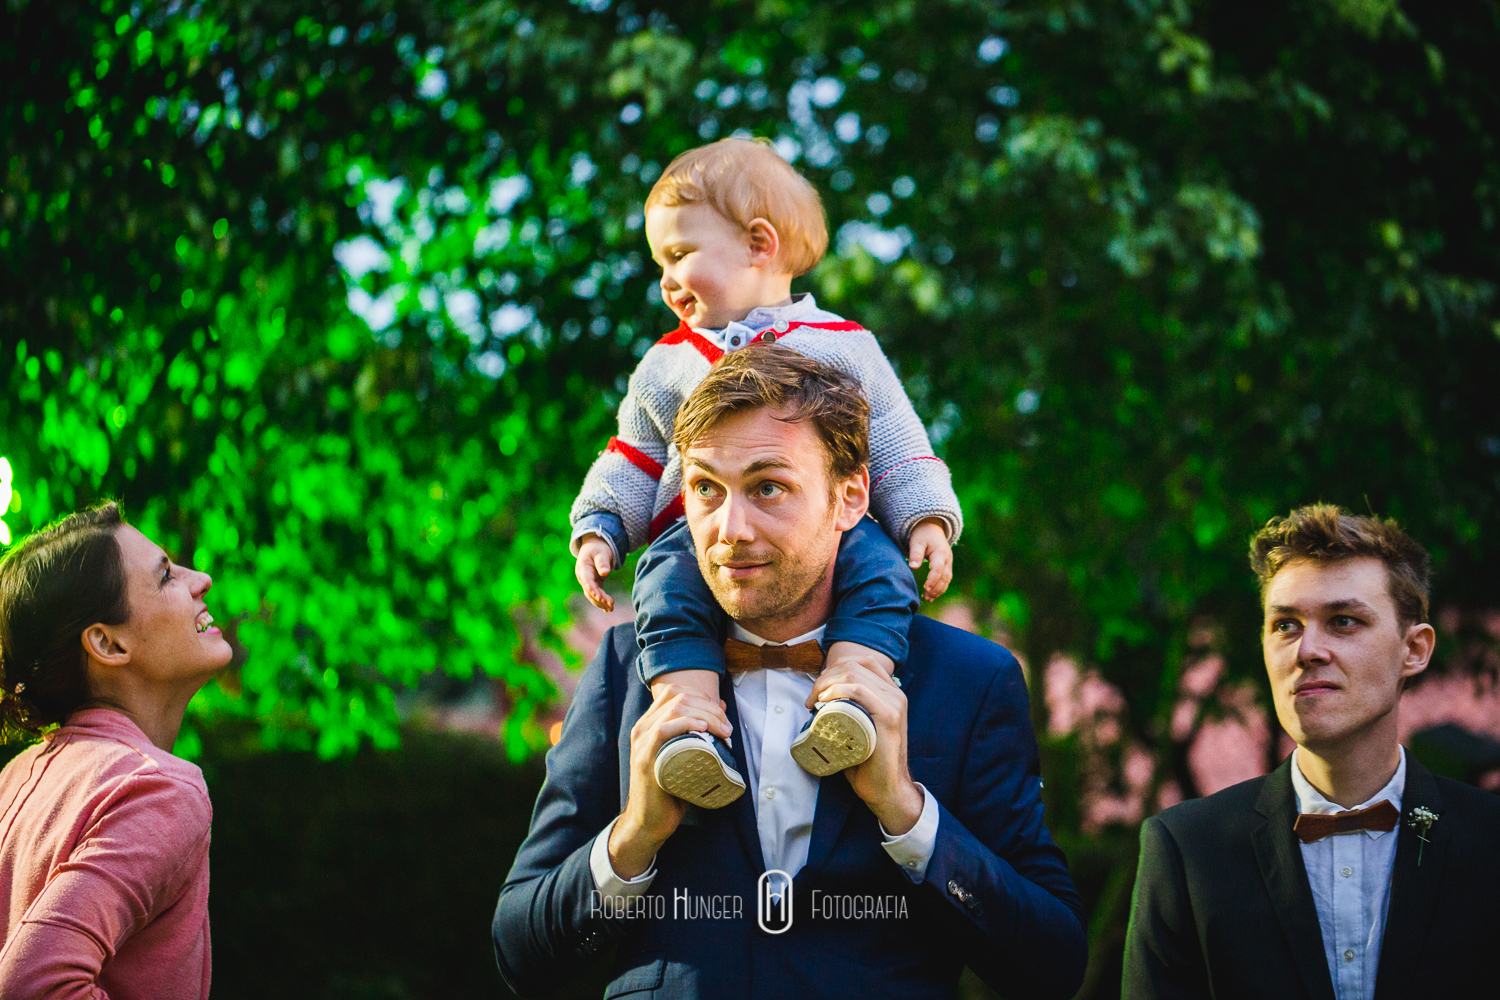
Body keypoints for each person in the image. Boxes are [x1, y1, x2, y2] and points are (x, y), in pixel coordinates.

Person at [496, 347, 1086, 999]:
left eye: (768, 487)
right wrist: (633, 837)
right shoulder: (622, 672)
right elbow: (521, 954)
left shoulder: (972, 681)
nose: (729, 530)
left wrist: (908, 813)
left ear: (851, 495)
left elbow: (1053, 965)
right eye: (705, 490)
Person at [569, 137, 963, 808]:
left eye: (679, 255)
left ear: (758, 243)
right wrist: (602, 523)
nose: (664, 279)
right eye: (658, 261)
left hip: (830, 535)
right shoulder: (667, 363)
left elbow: (897, 442)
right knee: (665, 588)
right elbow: (633, 455)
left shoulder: (844, 345)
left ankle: (853, 696)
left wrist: (925, 516)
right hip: (689, 541)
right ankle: (689, 725)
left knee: (882, 572)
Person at [1123, 505, 1500, 1000]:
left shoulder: (1491, 840)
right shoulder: (1186, 852)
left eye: (1343, 621)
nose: (1307, 650)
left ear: (1414, 650)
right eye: (1285, 625)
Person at [0, 502, 230, 998]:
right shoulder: (159, 792)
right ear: (107, 643)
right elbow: (34, 984)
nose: (202, 578)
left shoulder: (16, 778)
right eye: (166, 575)